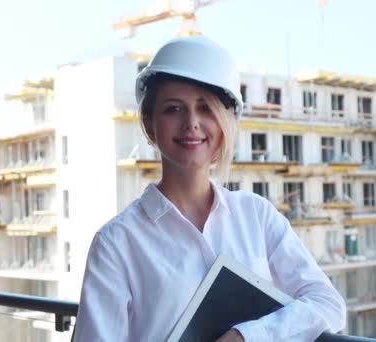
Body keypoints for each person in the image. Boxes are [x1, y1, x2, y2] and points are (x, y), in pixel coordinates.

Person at [74, 36, 346, 341]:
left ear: (226, 123)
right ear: (149, 125)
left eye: (206, 109)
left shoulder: (256, 216)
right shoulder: (116, 243)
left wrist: (248, 337)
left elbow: (328, 304)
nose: (192, 122)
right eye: (174, 109)